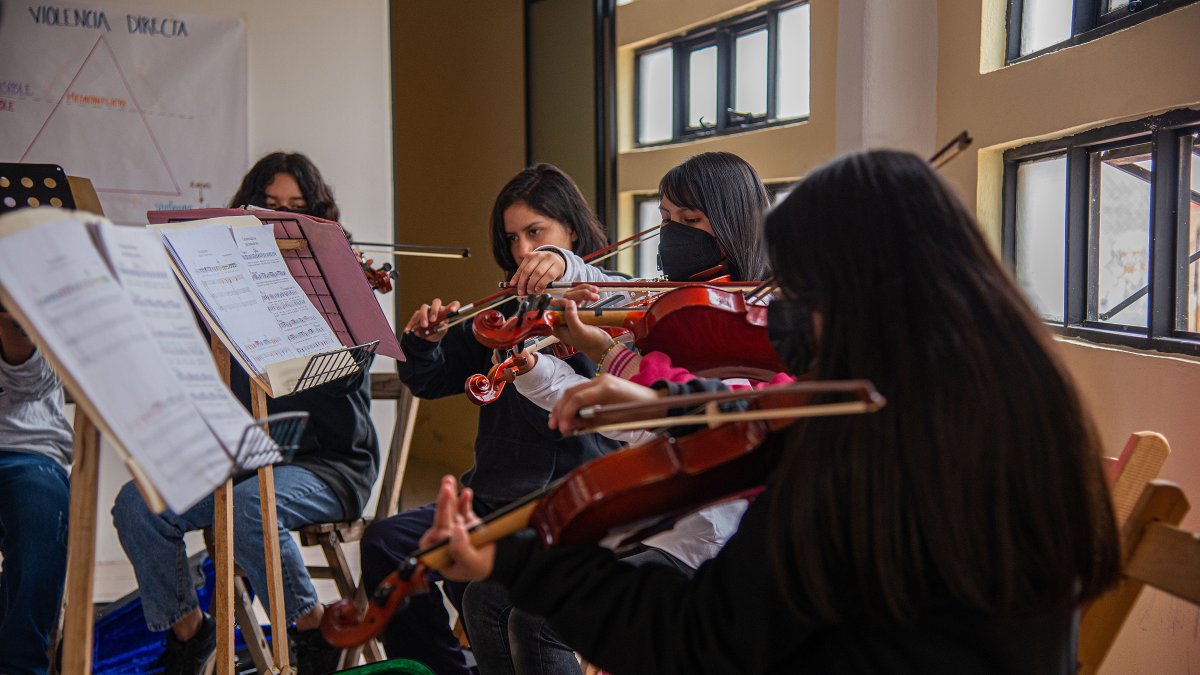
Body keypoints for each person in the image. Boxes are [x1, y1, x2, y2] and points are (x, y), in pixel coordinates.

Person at [419, 149, 1122, 674]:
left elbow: (696, 638)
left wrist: (519, 558)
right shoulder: (1003, 401)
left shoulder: (851, 464)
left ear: (855, 296)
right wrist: (670, 402)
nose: (777, 311)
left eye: (796, 290)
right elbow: (767, 406)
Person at [111, 154, 377, 675]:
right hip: (244, 461)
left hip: (330, 467)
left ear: (317, 220)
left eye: (296, 210)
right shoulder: (222, 290)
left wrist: (336, 306)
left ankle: (311, 628)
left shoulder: (334, 289)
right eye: (268, 207)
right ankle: (192, 635)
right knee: (138, 504)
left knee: (251, 504)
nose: (279, 221)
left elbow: (345, 377)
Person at [358, 164, 625, 675]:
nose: (524, 251)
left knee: (483, 583)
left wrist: (571, 306)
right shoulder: (505, 311)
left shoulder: (602, 301)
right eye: (513, 238)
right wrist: (425, 343)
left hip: (559, 498)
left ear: (570, 231)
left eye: (536, 233)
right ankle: (441, 669)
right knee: (387, 544)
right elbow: (430, 381)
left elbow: (619, 366)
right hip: (491, 492)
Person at [0, 306, 74, 675]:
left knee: (39, 515)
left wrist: (8, 316)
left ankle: (23, 665)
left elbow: (34, 384)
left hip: (27, 445)